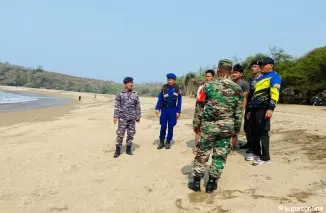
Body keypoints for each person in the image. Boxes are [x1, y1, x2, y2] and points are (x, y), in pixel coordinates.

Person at [189, 59, 243, 193]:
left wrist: (196, 124)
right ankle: (211, 183)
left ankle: (196, 183)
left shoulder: (207, 86)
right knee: (220, 155)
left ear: (218, 69)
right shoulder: (237, 89)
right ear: (230, 71)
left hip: (209, 127)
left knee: (202, 153)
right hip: (226, 128)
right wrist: (236, 129)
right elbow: (238, 112)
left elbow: (199, 107)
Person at [246, 57, 281, 165]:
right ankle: (256, 153)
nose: (261, 67)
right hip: (255, 108)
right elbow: (255, 95)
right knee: (254, 131)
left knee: (263, 132)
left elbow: (275, 93)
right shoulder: (262, 77)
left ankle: (266, 157)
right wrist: (250, 110)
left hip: (264, 108)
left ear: (271, 65)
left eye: (263, 65)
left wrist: (271, 109)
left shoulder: (274, 77)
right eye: (260, 65)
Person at [113, 77, 141, 158]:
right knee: (120, 134)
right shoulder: (120, 94)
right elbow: (117, 106)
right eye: (129, 83)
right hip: (122, 118)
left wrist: (138, 115)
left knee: (131, 134)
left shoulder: (135, 94)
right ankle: (117, 150)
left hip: (132, 118)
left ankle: (128, 149)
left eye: (131, 82)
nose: (131, 84)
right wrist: (115, 116)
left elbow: (137, 105)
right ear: (125, 84)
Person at [155, 73, 182, 149]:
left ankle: (168, 141)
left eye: (171, 80)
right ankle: (161, 141)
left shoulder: (177, 89)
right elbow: (160, 100)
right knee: (163, 125)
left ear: (174, 80)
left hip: (173, 110)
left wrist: (178, 111)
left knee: (170, 126)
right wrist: (157, 108)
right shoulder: (163, 88)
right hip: (164, 109)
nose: (169, 81)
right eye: (168, 80)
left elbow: (179, 101)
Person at [240, 61, 262, 153]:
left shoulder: (261, 79)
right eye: (252, 66)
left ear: (260, 68)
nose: (253, 68)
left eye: (256, 66)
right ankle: (249, 142)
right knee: (246, 126)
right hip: (249, 106)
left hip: (256, 106)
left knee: (254, 127)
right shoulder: (251, 79)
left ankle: (254, 146)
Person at [193, 69, 215, 154]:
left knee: (210, 132)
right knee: (198, 130)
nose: (207, 78)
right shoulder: (201, 88)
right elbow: (198, 102)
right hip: (201, 112)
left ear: (213, 77)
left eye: (209, 76)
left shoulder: (216, 88)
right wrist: (197, 115)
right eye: (206, 76)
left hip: (211, 113)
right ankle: (196, 147)